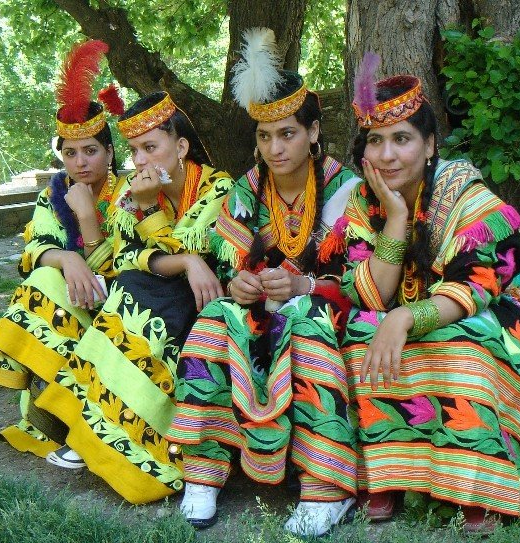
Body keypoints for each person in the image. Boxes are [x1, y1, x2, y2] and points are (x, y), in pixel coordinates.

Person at [336, 54, 520, 532]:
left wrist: (406, 317)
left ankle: (479, 479)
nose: (387, 155)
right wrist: (394, 218)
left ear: (430, 144)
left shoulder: (465, 193)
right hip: (408, 307)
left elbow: (476, 286)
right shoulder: (361, 202)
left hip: (495, 309)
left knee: (462, 341)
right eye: (376, 141)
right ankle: (389, 474)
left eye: (402, 139)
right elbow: (371, 292)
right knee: (356, 332)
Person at [166, 29, 362, 538]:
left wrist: (300, 286)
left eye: (288, 134)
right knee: (213, 319)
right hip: (267, 306)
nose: (275, 148)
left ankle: (326, 487)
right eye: (264, 136)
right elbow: (235, 269)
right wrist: (241, 288)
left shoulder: (347, 189)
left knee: (307, 320)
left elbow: (360, 277)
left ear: (314, 132)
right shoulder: (245, 191)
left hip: (329, 303)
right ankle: (204, 472)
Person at [0, 41, 137, 458]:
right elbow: (35, 248)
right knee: (43, 274)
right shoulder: (53, 194)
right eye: (70, 153)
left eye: (91, 151)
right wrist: (68, 257)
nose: (80, 163)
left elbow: (126, 264)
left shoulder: (132, 193)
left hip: (119, 305)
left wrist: (89, 224)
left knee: (45, 282)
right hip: (70, 297)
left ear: (110, 152)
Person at [34, 91, 234, 504]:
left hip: (214, 303)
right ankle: (89, 429)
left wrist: (153, 216)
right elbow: (127, 258)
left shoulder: (217, 187)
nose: (140, 161)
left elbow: (201, 253)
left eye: (150, 148)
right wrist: (185, 263)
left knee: (145, 298)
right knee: (131, 288)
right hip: (167, 290)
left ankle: (137, 453)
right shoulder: (132, 196)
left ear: (180, 148)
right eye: (134, 151)